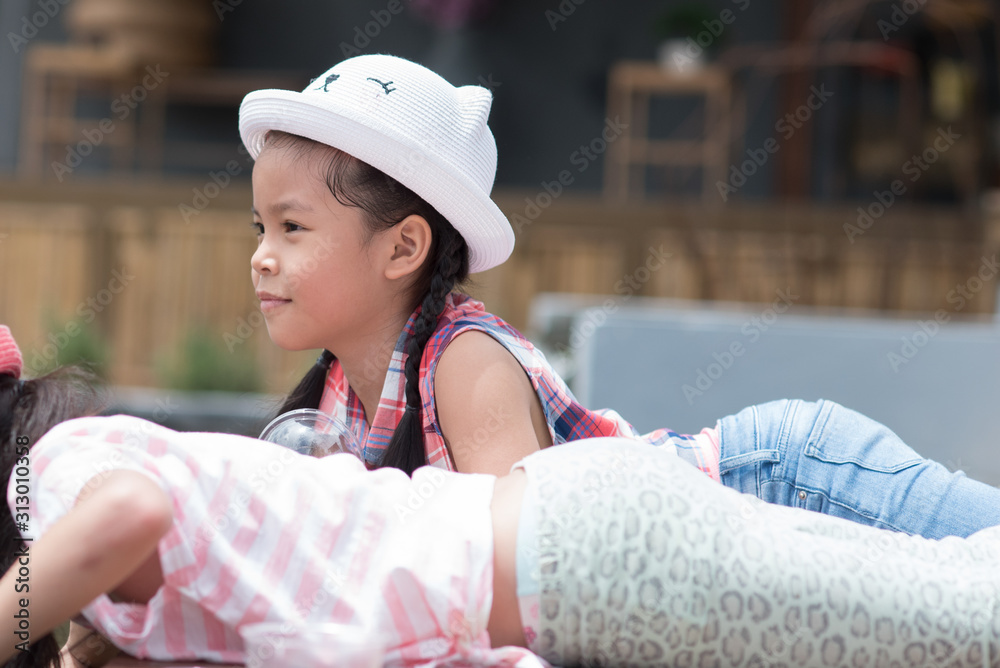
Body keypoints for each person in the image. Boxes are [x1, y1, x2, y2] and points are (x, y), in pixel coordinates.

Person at [240, 53, 1000, 538]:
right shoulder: (340, 393)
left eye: (292, 228)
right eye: (260, 227)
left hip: (795, 483)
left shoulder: (463, 365)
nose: (261, 258)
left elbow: (519, 569)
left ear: (403, 246)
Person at [4, 326, 1000, 668]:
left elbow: (126, 515)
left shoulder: (62, 469)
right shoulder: (90, 554)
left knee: (975, 621)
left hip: (589, 555)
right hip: (583, 560)